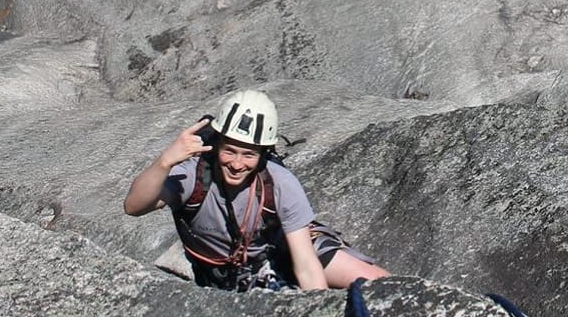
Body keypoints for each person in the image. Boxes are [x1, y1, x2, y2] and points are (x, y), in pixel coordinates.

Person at [124, 88, 388, 292]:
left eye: (249, 154)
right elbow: (134, 206)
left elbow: (306, 264)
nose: (237, 164)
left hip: (280, 251)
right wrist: (165, 161)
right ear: (216, 145)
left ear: (263, 154)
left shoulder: (279, 181)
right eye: (229, 151)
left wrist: (316, 313)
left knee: (379, 284)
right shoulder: (194, 175)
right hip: (230, 276)